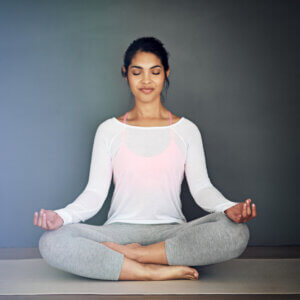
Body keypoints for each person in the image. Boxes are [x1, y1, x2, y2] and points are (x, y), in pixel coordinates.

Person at [33, 37, 257, 281]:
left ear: (166, 73)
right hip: (118, 232)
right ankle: (149, 270)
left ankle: (138, 257)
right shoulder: (109, 130)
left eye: (155, 71)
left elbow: (202, 189)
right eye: (137, 72)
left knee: (236, 232)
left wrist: (227, 208)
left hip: (173, 233)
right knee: (52, 240)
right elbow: (95, 194)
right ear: (125, 74)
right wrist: (62, 216)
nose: (147, 80)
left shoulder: (186, 130)